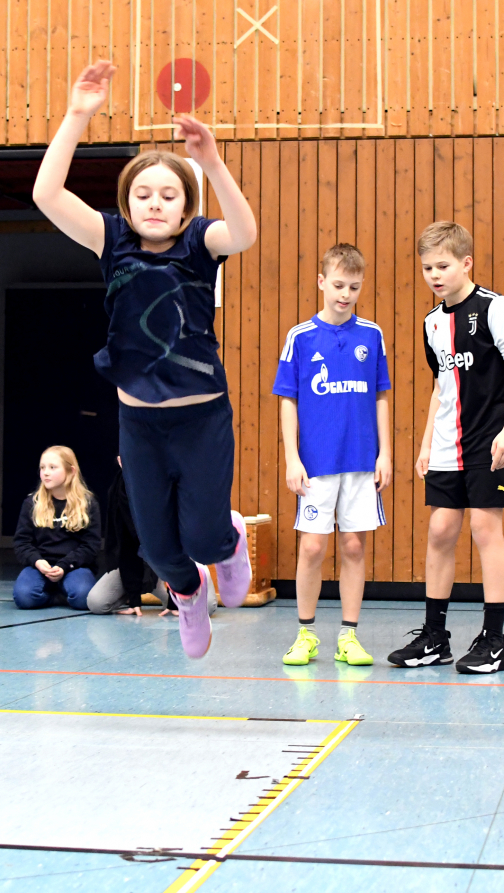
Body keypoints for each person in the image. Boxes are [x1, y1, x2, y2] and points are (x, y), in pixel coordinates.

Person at [32, 60, 256, 659]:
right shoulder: (110, 240)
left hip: (201, 420)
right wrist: (77, 116)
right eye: (143, 194)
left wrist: (212, 163)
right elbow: (46, 195)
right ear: (127, 204)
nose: (155, 204)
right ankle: (188, 593)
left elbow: (245, 233)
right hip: (140, 423)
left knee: (203, 537)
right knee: (157, 548)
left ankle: (229, 542)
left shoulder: (201, 242)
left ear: (185, 207)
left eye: (168, 195)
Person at [387, 221, 504, 674]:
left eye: (443, 266)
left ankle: (495, 641)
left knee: (485, 530)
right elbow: (441, 385)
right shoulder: (431, 322)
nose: (434, 274)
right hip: (447, 445)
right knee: (440, 531)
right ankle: (435, 636)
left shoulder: (494, 308)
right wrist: (426, 443)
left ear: (466, 263)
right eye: (427, 267)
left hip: (490, 442)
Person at [273, 244, 392, 667]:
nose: (345, 294)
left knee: (354, 546)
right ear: (322, 281)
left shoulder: (372, 335)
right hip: (316, 463)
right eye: (339, 285)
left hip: (360, 460)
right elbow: (287, 399)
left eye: (354, 287)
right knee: (311, 548)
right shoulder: (300, 336)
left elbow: (381, 395)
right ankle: (305, 633)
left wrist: (385, 453)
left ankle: (349, 637)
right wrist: (292, 457)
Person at [87, 460, 217, 618]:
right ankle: (146, 585)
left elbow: (178, 540)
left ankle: (183, 582)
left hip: (173, 562)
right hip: (142, 561)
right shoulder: (121, 488)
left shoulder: (170, 479)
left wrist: (174, 599)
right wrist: (134, 599)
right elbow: (127, 544)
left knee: (207, 607)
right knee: (97, 602)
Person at [13, 446, 100, 610]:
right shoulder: (32, 503)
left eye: (52, 467)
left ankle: (64, 590)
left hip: (74, 566)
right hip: (40, 566)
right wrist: (37, 562)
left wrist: (65, 565)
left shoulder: (88, 504)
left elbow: (91, 546)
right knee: (24, 597)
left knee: (83, 597)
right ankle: (55, 596)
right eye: (42, 468)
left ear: (71, 471)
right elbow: (22, 543)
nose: (46, 472)